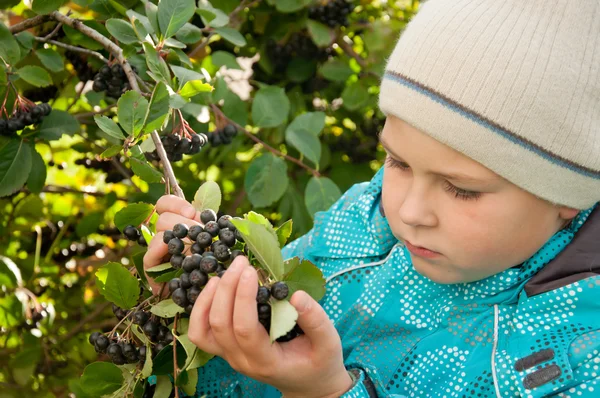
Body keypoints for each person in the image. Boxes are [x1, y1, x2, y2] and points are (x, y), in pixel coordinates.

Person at [143, 0, 600, 396]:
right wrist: (193, 296)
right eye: (397, 162)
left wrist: (323, 393)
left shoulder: (577, 358)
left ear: (566, 195)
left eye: (461, 189)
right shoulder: (365, 217)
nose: (408, 211)